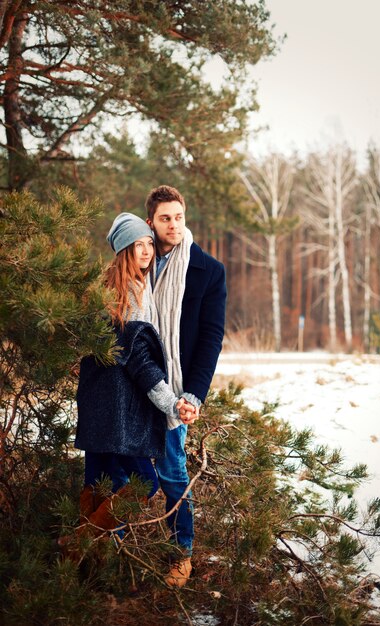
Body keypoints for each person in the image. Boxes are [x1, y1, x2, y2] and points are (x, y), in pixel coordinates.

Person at [74, 213, 196, 534]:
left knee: (100, 484)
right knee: (145, 482)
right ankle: (81, 542)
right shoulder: (133, 293)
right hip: (118, 411)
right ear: (123, 249)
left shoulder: (104, 287)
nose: (145, 251)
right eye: (136, 245)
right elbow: (140, 360)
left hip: (97, 407)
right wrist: (170, 403)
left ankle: (88, 566)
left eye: (148, 244)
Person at [145, 185, 227, 588]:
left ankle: (182, 554)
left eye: (178, 216)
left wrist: (193, 395)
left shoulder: (208, 270)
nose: (173, 225)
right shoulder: (138, 262)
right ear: (152, 222)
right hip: (136, 384)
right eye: (165, 218)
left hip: (176, 392)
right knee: (132, 472)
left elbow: (211, 337)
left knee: (174, 473)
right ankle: (121, 544)